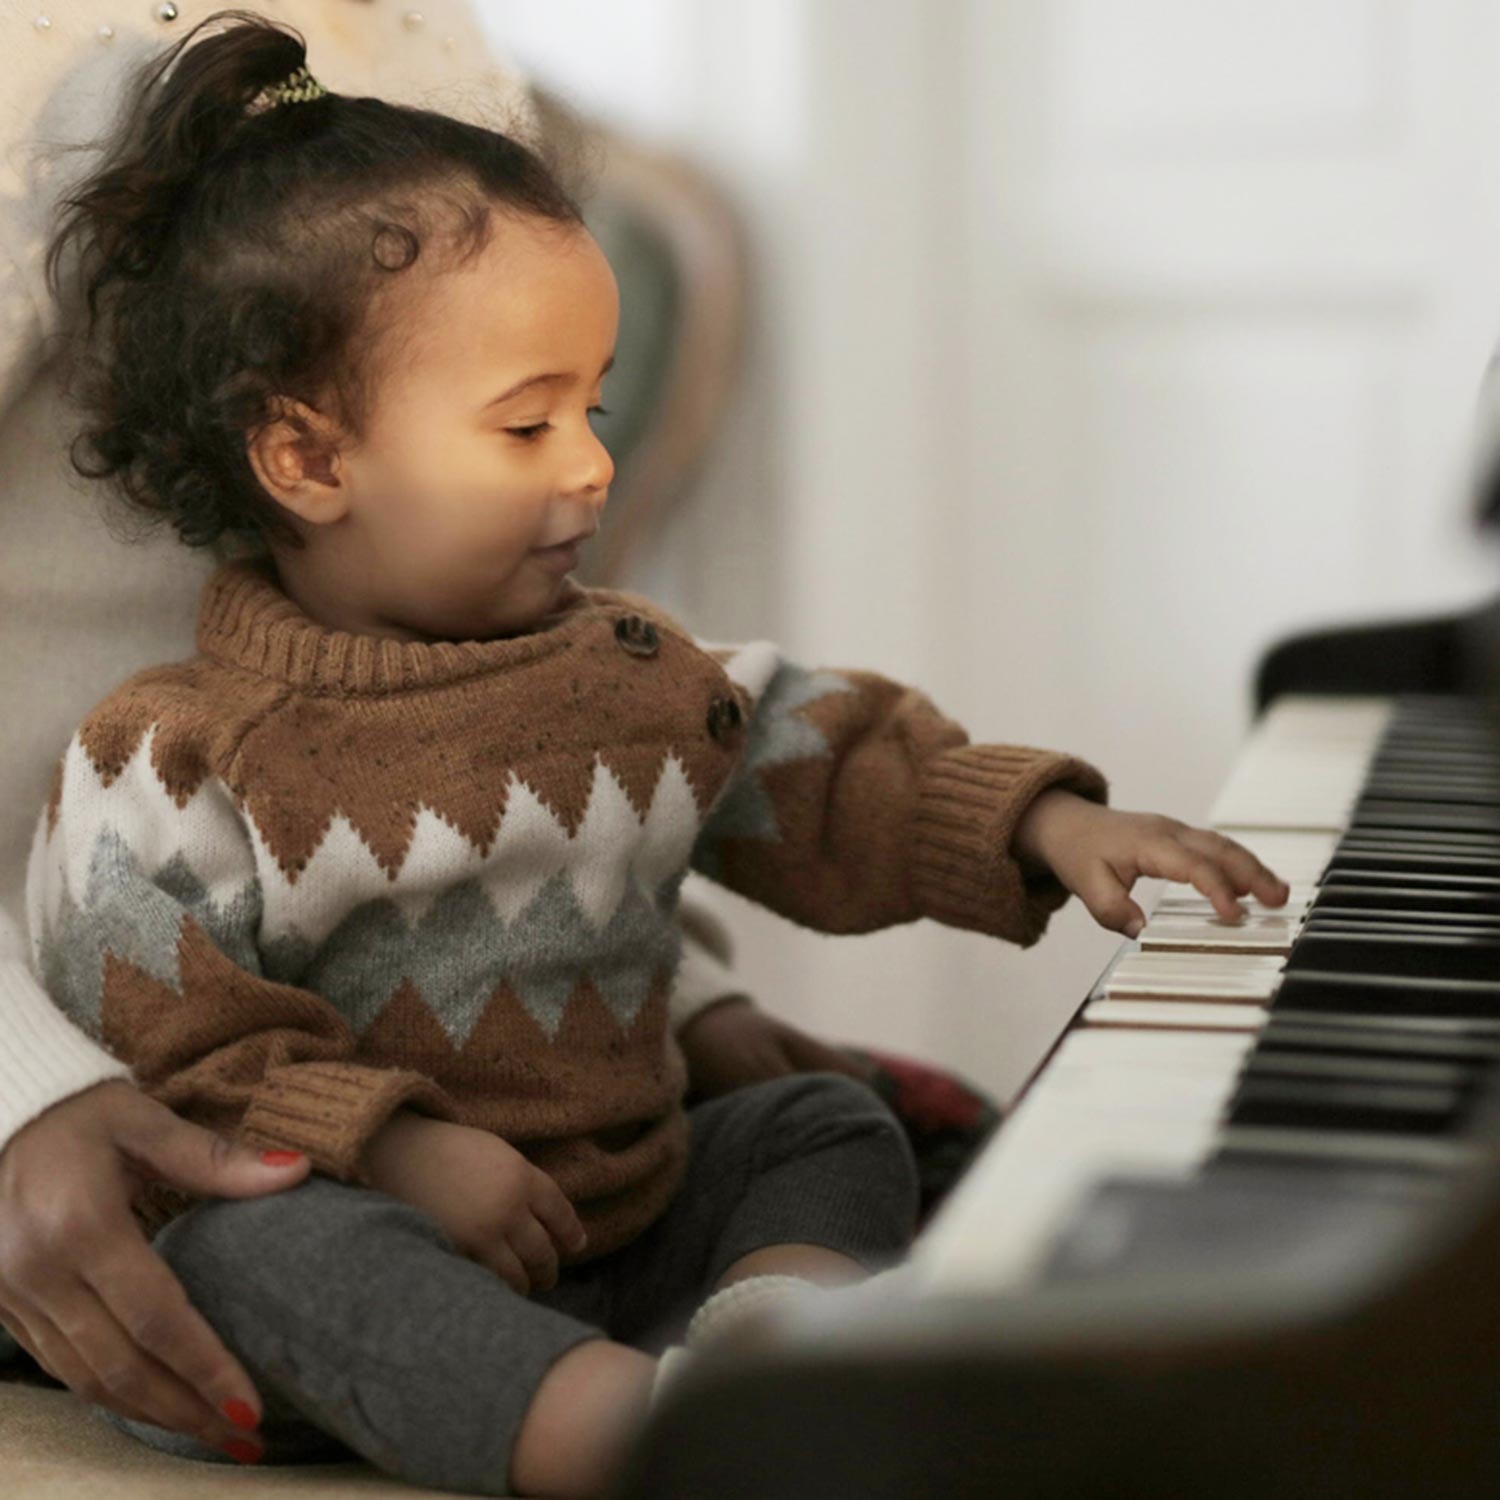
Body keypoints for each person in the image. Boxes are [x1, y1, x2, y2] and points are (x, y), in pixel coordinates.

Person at [8, 11, 1290, 1496]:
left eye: (591, 406)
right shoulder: (175, 757)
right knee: (256, 1244)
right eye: (524, 424)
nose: (590, 465)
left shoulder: (627, 675)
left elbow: (822, 760)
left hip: (620, 1214)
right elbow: (188, 1048)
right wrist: (405, 1149)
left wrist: (1042, 829)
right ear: (307, 459)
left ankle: (765, 1354)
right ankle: (628, 1437)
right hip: (379, 1224)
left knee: (824, 1121)